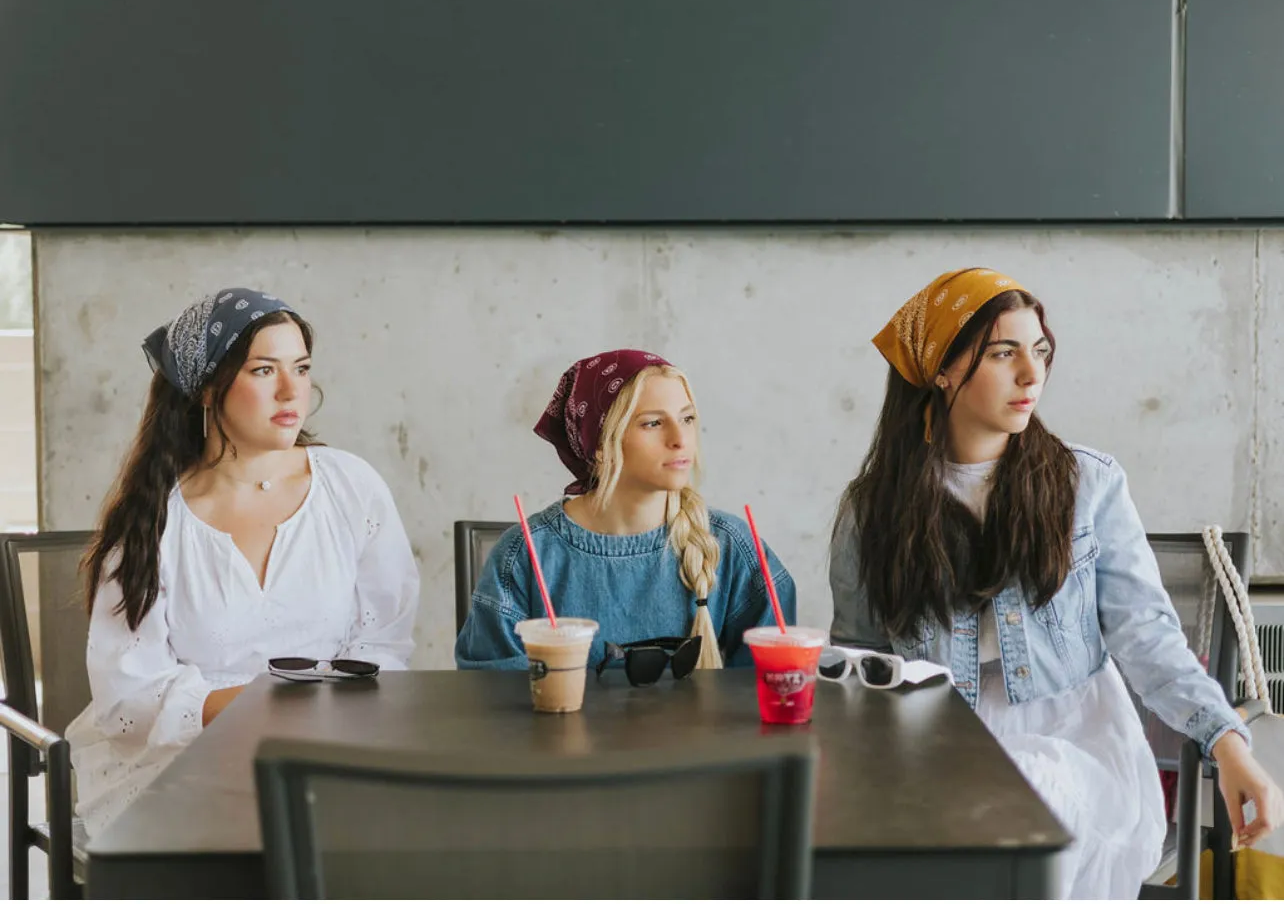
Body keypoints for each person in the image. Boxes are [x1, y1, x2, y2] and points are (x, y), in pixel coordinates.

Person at [829, 267, 1282, 898]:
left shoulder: (1086, 485)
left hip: (1074, 740)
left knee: (1019, 797)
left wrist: (1227, 743)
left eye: (1038, 351)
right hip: (932, 743)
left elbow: (1147, 637)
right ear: (942, 368)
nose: (1030, 374)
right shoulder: (872, 508)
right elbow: (860, 657)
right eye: (1002, 353)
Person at [67, 289, 419, 837]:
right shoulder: (153, 519)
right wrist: (267, 707)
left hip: (325, 752)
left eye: (300, 368)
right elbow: (129, 695)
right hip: (179, 765)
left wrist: (314, 721)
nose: (291, 390)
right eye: (263, 370)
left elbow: (384, 642)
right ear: (208, 389)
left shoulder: (351, 487)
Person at [456, 349, 795, 672]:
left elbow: (772, 683)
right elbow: (492, 694)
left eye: (687, 418)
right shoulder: (524, 555)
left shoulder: (733, 546)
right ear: (600, 446)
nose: (681, 439)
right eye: (653, 423)